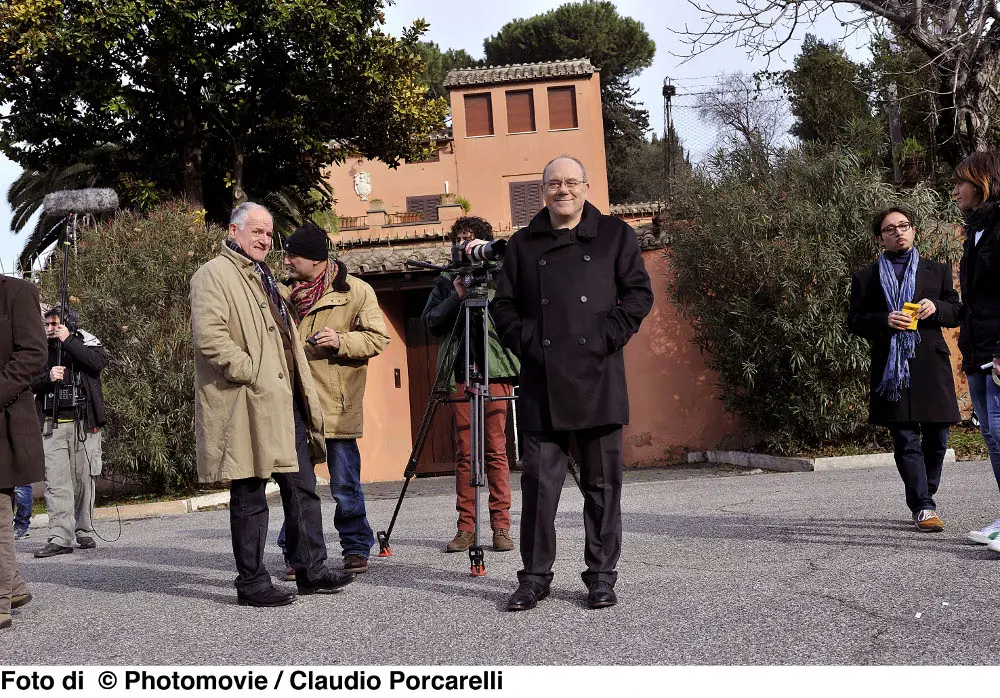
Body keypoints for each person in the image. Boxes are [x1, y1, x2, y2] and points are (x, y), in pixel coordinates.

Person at [492, 156, 653, 611]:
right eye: (553, 183)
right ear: (543, 191)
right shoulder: (523, 245)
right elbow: (503, 307)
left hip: (599, 379)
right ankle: (535, 577)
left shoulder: (615, 235)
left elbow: (639, 294)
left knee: (603, 487)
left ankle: (601, 576)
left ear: (585, 187)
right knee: (540, 489)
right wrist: (529, 343)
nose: (562, 190)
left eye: (570, 182)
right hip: (543, 382)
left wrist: (606, 335)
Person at [190, 202, 353, 607]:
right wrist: (252, 372)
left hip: (284, 401)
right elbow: (210, 339)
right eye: (257, 231)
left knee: (302, 489)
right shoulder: (213, 275)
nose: (265, 239)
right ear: (233, 230)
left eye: (268, 233)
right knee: (249, 492)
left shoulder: (263, 276)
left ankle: (310, 570)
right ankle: (251, 582)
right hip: (248, 401)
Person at [276, 221, 390, 575]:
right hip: (291, 402)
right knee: (297, 483)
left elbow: (378, 338)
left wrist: (341, 341)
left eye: (293, 255)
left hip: (336, 404)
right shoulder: (279, 293)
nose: (287, 262)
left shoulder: (355, 291)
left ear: (315, 259)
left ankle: (356, 547)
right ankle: (299, 551)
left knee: (344, 483)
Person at [848, 206, 961, 531]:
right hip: (892, 370)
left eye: (904, 225)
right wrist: (884, 319)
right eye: (890, 228)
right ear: (880, 237)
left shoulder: (936, 270)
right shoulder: (866, 278)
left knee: (938, 438)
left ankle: (925, 493)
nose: (899, 232)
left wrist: (936, 307)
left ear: (913, 230)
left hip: (930, 365)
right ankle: (923, 507)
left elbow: (956, 311)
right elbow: (854, 320)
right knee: (906, 439)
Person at [421, 216, 520, 555]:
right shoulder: (447, 279)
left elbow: (519, 317)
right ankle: (466, 528)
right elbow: (430, 323)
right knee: (466, 453)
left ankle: (501, 527)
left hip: (496, 370)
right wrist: (456, 297)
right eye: (460, 239)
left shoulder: (502, 276)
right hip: (458, 372)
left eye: (472, 240)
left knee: (495, 450)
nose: (464, 245)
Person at [31, 306, 108, 558]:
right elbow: (26, 379)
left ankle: (84, 529)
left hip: (84, 424)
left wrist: (69, 341)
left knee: (85, 479)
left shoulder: (86, 341)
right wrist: (47, 377)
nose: (51, 329)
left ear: (69, 324)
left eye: (56, 324)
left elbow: (96, 364)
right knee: (56, 483)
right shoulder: (39, 348)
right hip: (52, 424)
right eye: (48, 325)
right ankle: (59, 537)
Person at [953, 151, 1000, 549]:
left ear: (983, 183)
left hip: (998, 349)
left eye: (961, 183)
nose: (955, 191)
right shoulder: (976, 231)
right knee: (990, 433)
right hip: (976, 349)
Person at [0, 274, 48, 629]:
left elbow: (33, 354)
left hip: (5, 421)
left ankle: (1, 602)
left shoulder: (17, 292)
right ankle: (12, 587)